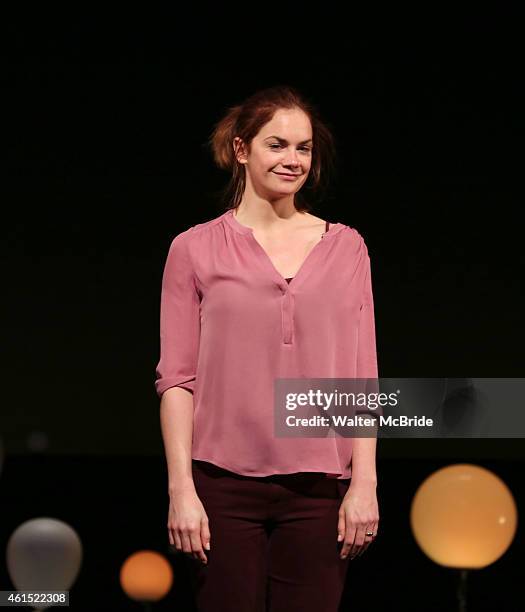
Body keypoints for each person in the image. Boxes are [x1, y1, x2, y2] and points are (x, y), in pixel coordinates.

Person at [155, 85, 380, 612]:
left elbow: (360, 378)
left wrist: (364, 484)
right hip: (221, 485)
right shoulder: (193, 249)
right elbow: (176, 379)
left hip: (321, 488)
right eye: (277, 145)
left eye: (303, 148)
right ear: (241, 150)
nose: (293, 160)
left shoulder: (347, 248)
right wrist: (181, 489)